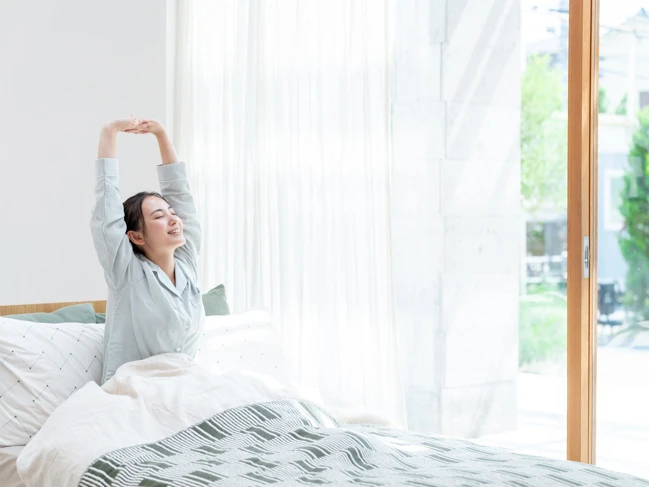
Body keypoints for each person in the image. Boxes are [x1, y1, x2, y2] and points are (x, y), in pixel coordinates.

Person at [91, 116, 205, 384]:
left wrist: (161, 134)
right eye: (158, 216)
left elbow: (181, 194)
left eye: (171, 212)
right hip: (133, 395)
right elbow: (107, 207)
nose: (174, 219)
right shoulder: (126, 273)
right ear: (136, 236)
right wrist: (110, 132)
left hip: (185, 392)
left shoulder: (187, 264)